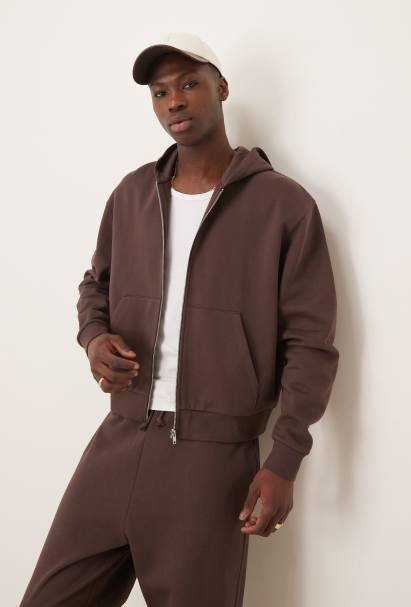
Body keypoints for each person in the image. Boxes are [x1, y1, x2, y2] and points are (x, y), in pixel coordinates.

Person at [19, 32, 339, 607]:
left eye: (189, 84)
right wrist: (94, 339)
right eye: (161, 92)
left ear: (222, 88)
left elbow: (310, 342)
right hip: (119, 438)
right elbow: (96, 286)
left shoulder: (284, 206)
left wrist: (285, 459)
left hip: (210, 460)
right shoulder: (132, 194)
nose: (175, 102)